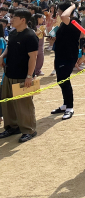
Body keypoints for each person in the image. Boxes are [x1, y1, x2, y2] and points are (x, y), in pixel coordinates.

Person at [0, 9, 39, 142]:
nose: (10, 20)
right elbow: (9, 48)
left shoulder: (30, 36)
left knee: (24, 104)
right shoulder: (12, 33)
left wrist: (29, 76)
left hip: (23, 76)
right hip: (9, 73)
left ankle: (29, 129)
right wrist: (2, 56)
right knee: (8, 102)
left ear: (23, 20)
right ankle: (12, 126)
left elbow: (33, 57)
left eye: (13, 17)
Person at [50, 2, 81, 120]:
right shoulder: (63, 23)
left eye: (59, 10)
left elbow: (64, 17)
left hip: (68, 55)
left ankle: (70, 107)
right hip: (60, 54)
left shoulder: (74, 21)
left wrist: (73, 6)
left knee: (65, 81)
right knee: (60, 80)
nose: (57, 13)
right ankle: (65, 104)